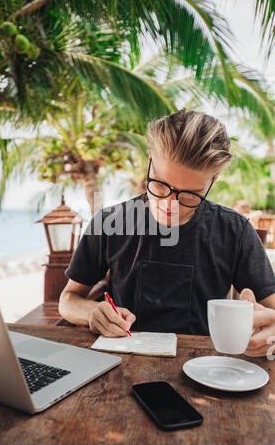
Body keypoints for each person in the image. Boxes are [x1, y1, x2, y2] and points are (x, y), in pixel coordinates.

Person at [59, 109, 275, 357]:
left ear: (213, 180)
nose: (169, 204)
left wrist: (267, 329)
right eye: (160, 184)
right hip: (122, 361)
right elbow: (68, 300)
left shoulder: (235, 232)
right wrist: (90, 312)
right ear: (150, 160)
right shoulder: (110, 222)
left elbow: (271, 313)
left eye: (189, 195)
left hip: (206, 369)